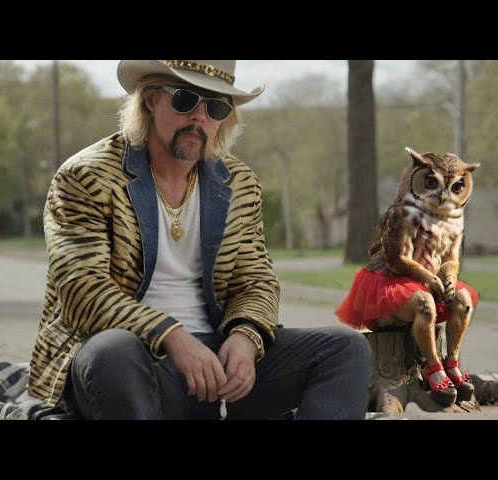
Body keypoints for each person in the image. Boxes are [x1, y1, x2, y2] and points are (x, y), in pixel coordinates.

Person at [27, 60, 372, 420]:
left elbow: (256, 281)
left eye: (216, 107)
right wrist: (173, 337)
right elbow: (82, 291)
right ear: (151, 100)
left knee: (346, 348)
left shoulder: (239, 183)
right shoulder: (85, 176)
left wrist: (246, 336)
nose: (199, 117)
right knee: (112, 353)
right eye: (185, 99)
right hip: (135, 362)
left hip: (216, 365)